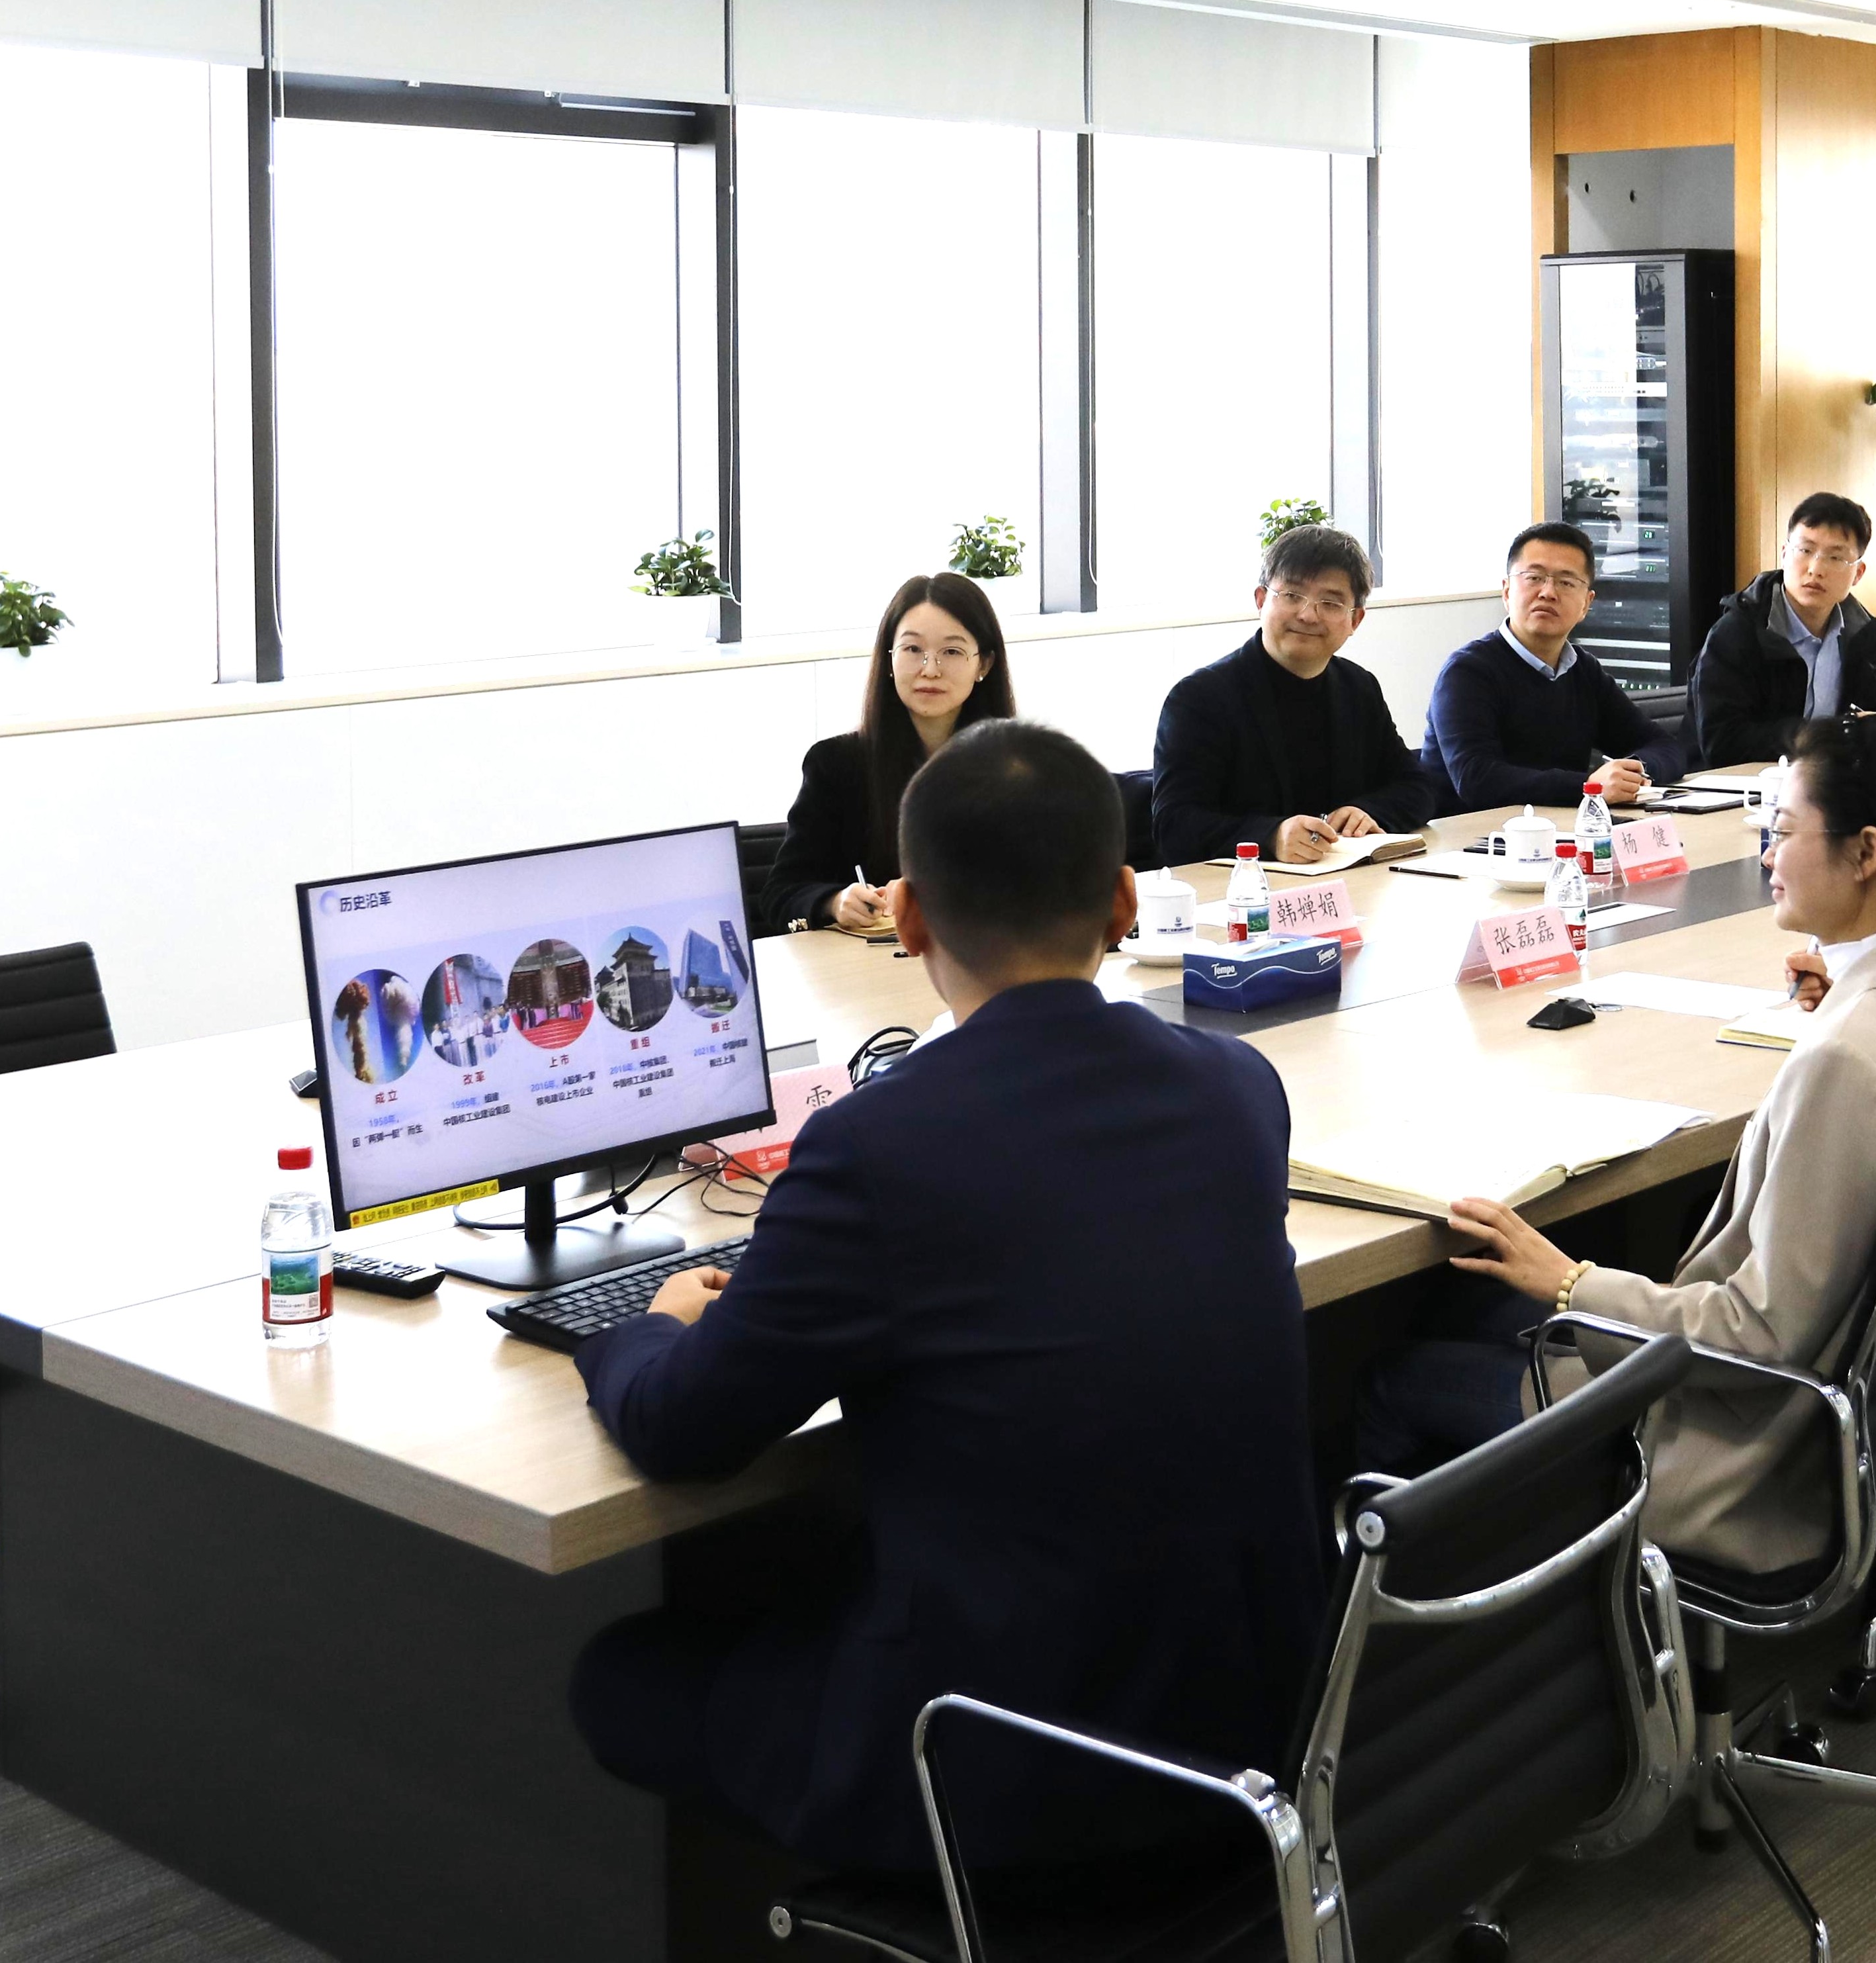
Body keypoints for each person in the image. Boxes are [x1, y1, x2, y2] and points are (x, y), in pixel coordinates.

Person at [566, 722, 1323, 1872]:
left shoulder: (874, 1146)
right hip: (1250, 1733)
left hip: (1002, 1767)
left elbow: (686, 1433)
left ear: (909, 916)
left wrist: (639, 1328)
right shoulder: (1237, 1086)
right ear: (1125, 901)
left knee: (619, 1675)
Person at [1359, 711, 1876, 1576]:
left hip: (1736, 1453)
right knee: (1475, 1305)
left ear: (1865, 853)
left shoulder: (1849, 1063)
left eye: (1782, 829)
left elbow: (1758, 1336)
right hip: (1854, 1412)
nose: (1766, 853)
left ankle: (1467, 1637)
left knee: (1390, 1378)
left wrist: (1569, 1280)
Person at [1149, 524, 1437, 863]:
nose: (1308, 615)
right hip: (1244, 887)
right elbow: (1174, 826)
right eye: (1291, 595)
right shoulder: (1200, 699)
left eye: (1330, 603)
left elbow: (1418, 786)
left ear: (1355, 620)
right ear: (1261, 600)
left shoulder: (1358, 687)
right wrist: (1270, 837)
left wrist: (1368, 812)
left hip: (1349, 881)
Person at [756, 572, 1016, 934]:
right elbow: (781, 894)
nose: (930, 670)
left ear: (984, 664)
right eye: (913, 650)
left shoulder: (1017, 766)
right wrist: (834, 901)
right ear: (890, 659)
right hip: (869, 965)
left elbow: (1046, 881)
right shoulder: (836, 765)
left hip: (982, 955)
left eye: (952, 652)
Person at [1416, 522, 1679, 814]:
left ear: (1586, 604)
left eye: (1566, 583)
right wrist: (1590, 787)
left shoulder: (1584, 671)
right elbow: (1477, 780)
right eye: (1534, 578)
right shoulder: (1467, 672)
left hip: (1561, 828)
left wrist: (1635, 773)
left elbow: (1664, 746)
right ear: (1507, 592)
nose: (1548, 592)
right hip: (1472, 834)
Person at [1687, 491, 1876, 770]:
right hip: (1734, 787)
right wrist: (1825, 736)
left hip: (1829, 784)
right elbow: (1722, 742)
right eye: (1805, 550)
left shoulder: (1865, 635)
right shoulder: (1738, 633)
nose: (1816, 569)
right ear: (1784, 554)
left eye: (1835, 558)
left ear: (1858, 573)